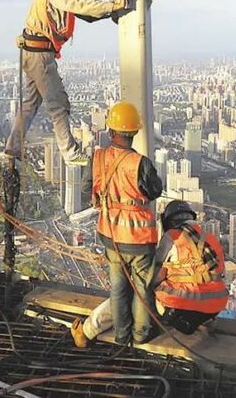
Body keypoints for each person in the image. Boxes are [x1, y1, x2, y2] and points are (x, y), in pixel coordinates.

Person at [3, 0, 135, 169]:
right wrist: (113, 4)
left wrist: (112, 11)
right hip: (40, 57)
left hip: (33, 54)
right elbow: (79, 5)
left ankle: (13, 147)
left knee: (29, 104)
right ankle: (70, 153)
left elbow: (87, 15)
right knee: (58, 105)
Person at [72, 199, 229, 347]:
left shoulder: (173, 237)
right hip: (214, 308)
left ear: (168, 221)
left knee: (133, 292)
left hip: (181, 310)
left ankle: (87, 331)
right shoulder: (211, 239)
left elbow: (153, 277)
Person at [81, 101, 163, 346]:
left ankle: (121, 336)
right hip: (138, 240)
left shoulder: (98, 157)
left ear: (111, 130)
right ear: (134, 131)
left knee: (117, 288)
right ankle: (140, 337)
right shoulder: (140, 163)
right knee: (141, 290)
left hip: (110, 235)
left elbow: (88, 187)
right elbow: (155, 191)